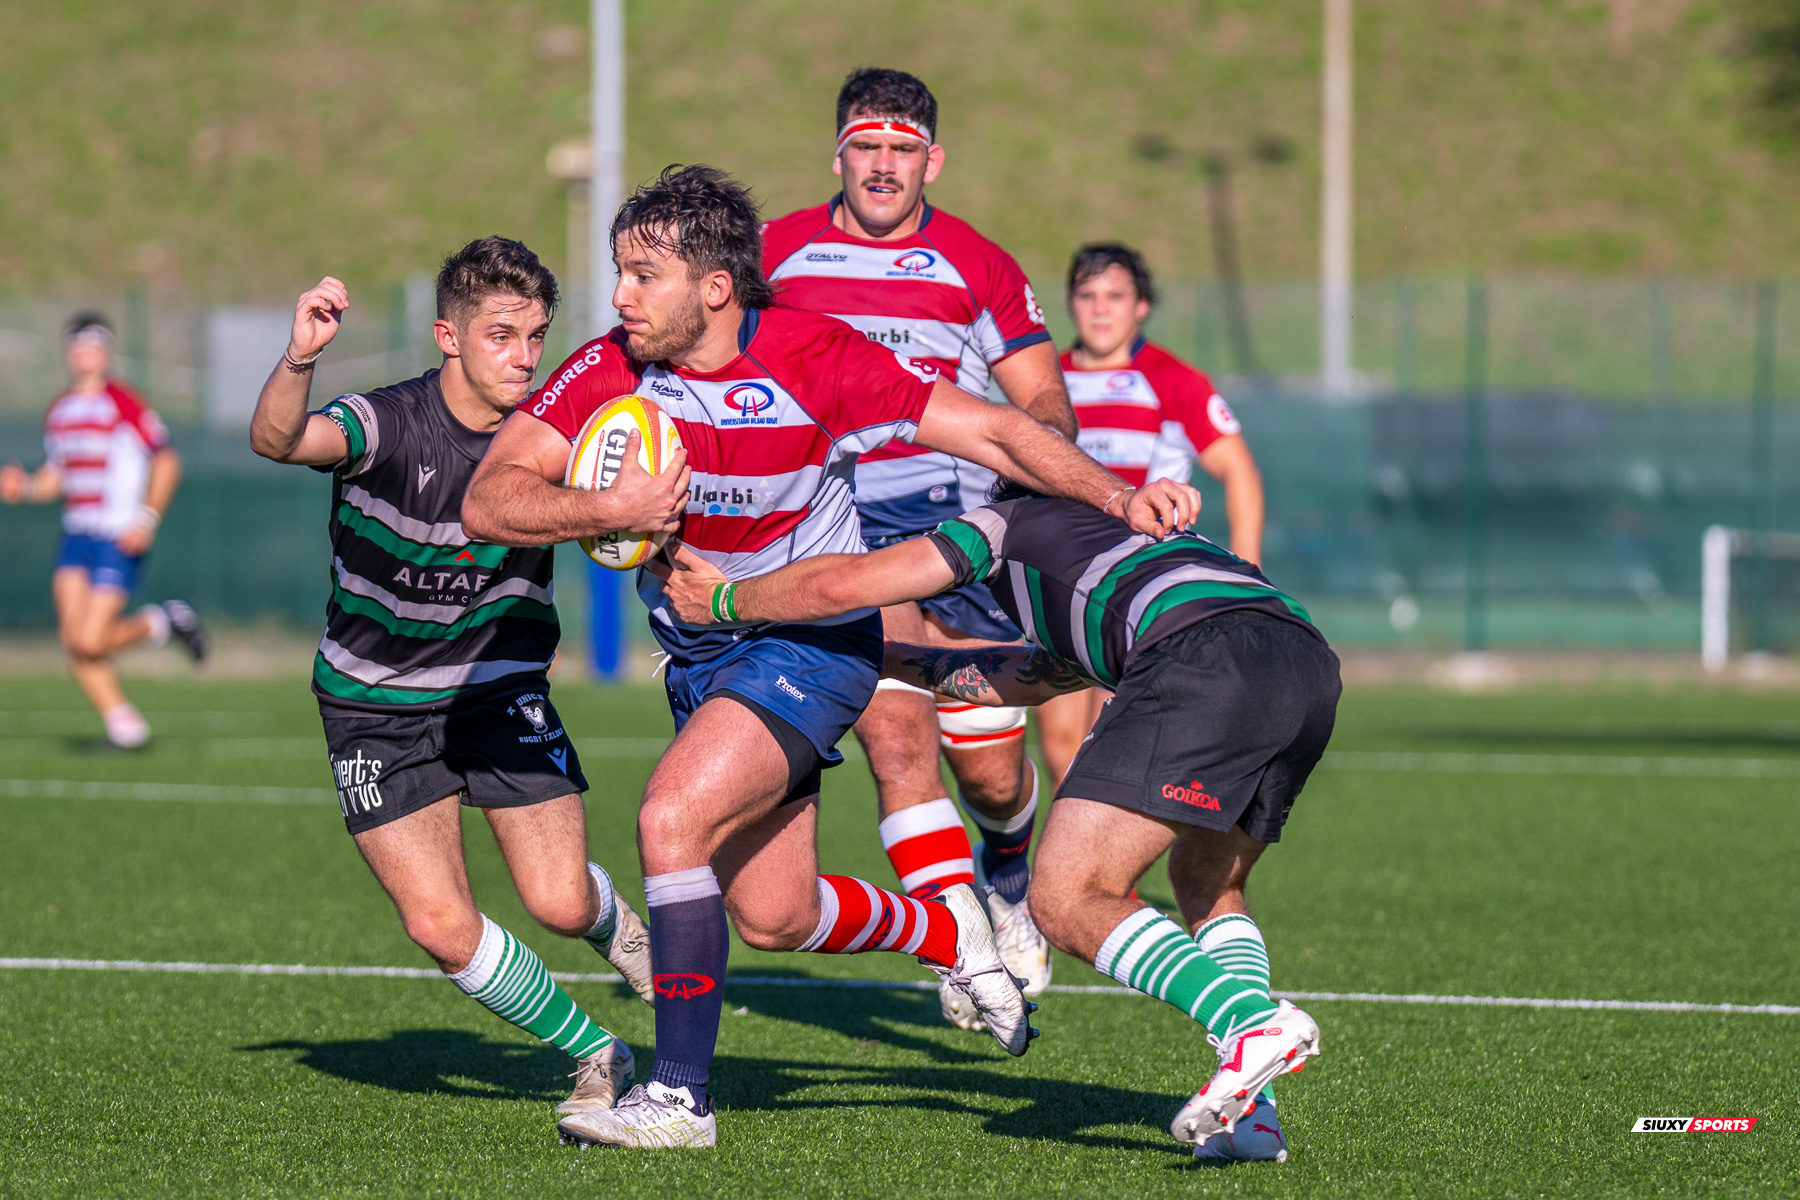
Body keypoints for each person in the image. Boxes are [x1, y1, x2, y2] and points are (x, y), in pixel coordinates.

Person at [462, 165, 1192, 1150]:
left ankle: (680, 1099)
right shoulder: (607, 368)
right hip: (697, 658)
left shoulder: (816, 355)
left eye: (643, 275)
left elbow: (996, 432)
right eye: (618, 274)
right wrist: (604, 510)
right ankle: (950, 932)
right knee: (773, 913)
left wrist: (1115, 497)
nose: (620, 297)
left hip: (809, 644)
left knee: (668, 818)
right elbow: (489, 498)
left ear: (715, 287)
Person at [655, 481, 1336, 1164]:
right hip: (1303, 664)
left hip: (1196, 658)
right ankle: (1253, 1116)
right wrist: (878, 661)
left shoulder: (1009, 523)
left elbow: (854, 582)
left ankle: (1249, 1021)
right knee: (1207, 882)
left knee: (1068, 900)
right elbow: (1027, 677)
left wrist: (725, 604)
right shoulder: (1125, 549)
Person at [246, 238, 656, 1126]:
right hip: (372, 703)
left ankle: (618, 927)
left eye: (535, 336)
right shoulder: (387, 423)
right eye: (501, 335)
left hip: (496, 682)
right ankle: (597, 1051)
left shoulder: (558, 436)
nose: (523, 357)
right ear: (448, 335)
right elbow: (278, 439)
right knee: (438, 925)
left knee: (556, 900)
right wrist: (300, 356)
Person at [762, 68, 1078, 1016]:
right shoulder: (775, 256)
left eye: (903, 150)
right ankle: (964, 945)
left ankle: (1008, 873)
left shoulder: (977, 265)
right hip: (836, 532)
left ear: (932, 159)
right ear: (838, 155)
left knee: (989, 774)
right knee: (897, 742)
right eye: (867, 147)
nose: (884, 166)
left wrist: (1046, 461)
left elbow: (1041, 396)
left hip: (957, 538)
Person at [1036, 244, 1267, 786]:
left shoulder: (1173, 380)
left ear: (1141, 306)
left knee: (1110, 738)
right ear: (1070, 303)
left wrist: (1249, 572)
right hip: (1059, 579)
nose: (1100, 309)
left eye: (1115, 297)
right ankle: (1069, 865)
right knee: (1059, 745)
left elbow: (1240, 473)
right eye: (1087, 296)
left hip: (1140, 584)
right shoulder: (1048, 383)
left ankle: (1111, 872)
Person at [1, 314, 204, 748]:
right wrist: (28, 487)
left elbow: (167, 462)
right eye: (76, 345)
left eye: (92, 344)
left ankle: (163, 622)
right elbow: (58, 477)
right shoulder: (60, 409)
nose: (84, 353)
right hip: (76, 534)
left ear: (107, 351)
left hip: (116, 534)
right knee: (73, 638)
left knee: (91, 638)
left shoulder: (124, 402)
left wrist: (146, 518)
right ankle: (125, 728)